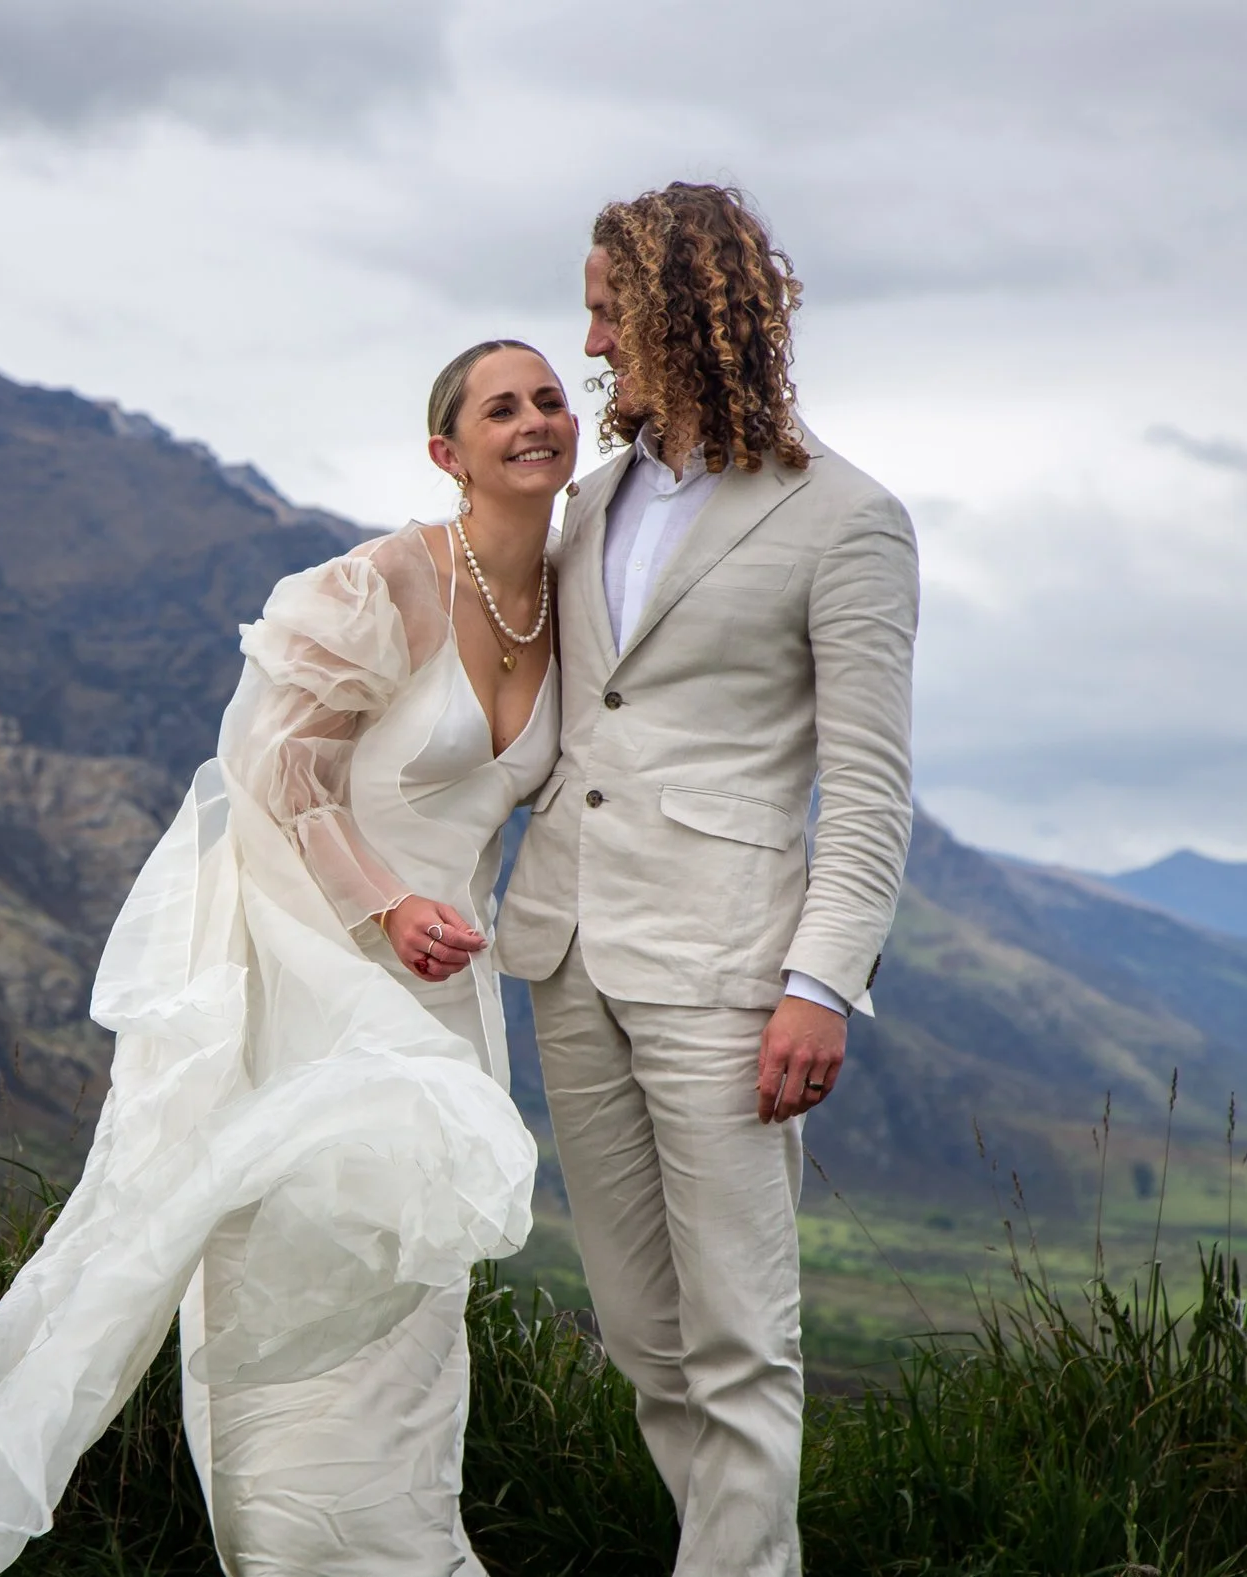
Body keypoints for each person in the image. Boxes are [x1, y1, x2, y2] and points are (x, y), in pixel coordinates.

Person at [0, 341, 574, 1576]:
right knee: (281, 1268)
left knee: (410, 1295)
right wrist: (383, 905)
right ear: (445, 453)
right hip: (318, 964)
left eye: (552, 397)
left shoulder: (575, 600)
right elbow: (277, 770)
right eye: (499, 405)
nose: (535, 418)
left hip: (447, 990)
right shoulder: (381, 582)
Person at [496, 182, 920, 1577]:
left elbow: (866, 782)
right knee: (643, 1334)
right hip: (566, 948)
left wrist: (821, 984)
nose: (592, 337)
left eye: (609, 306)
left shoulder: (846, 518)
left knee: (742, 1334)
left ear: (679, 308)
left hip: (731, 970)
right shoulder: (591, 503)